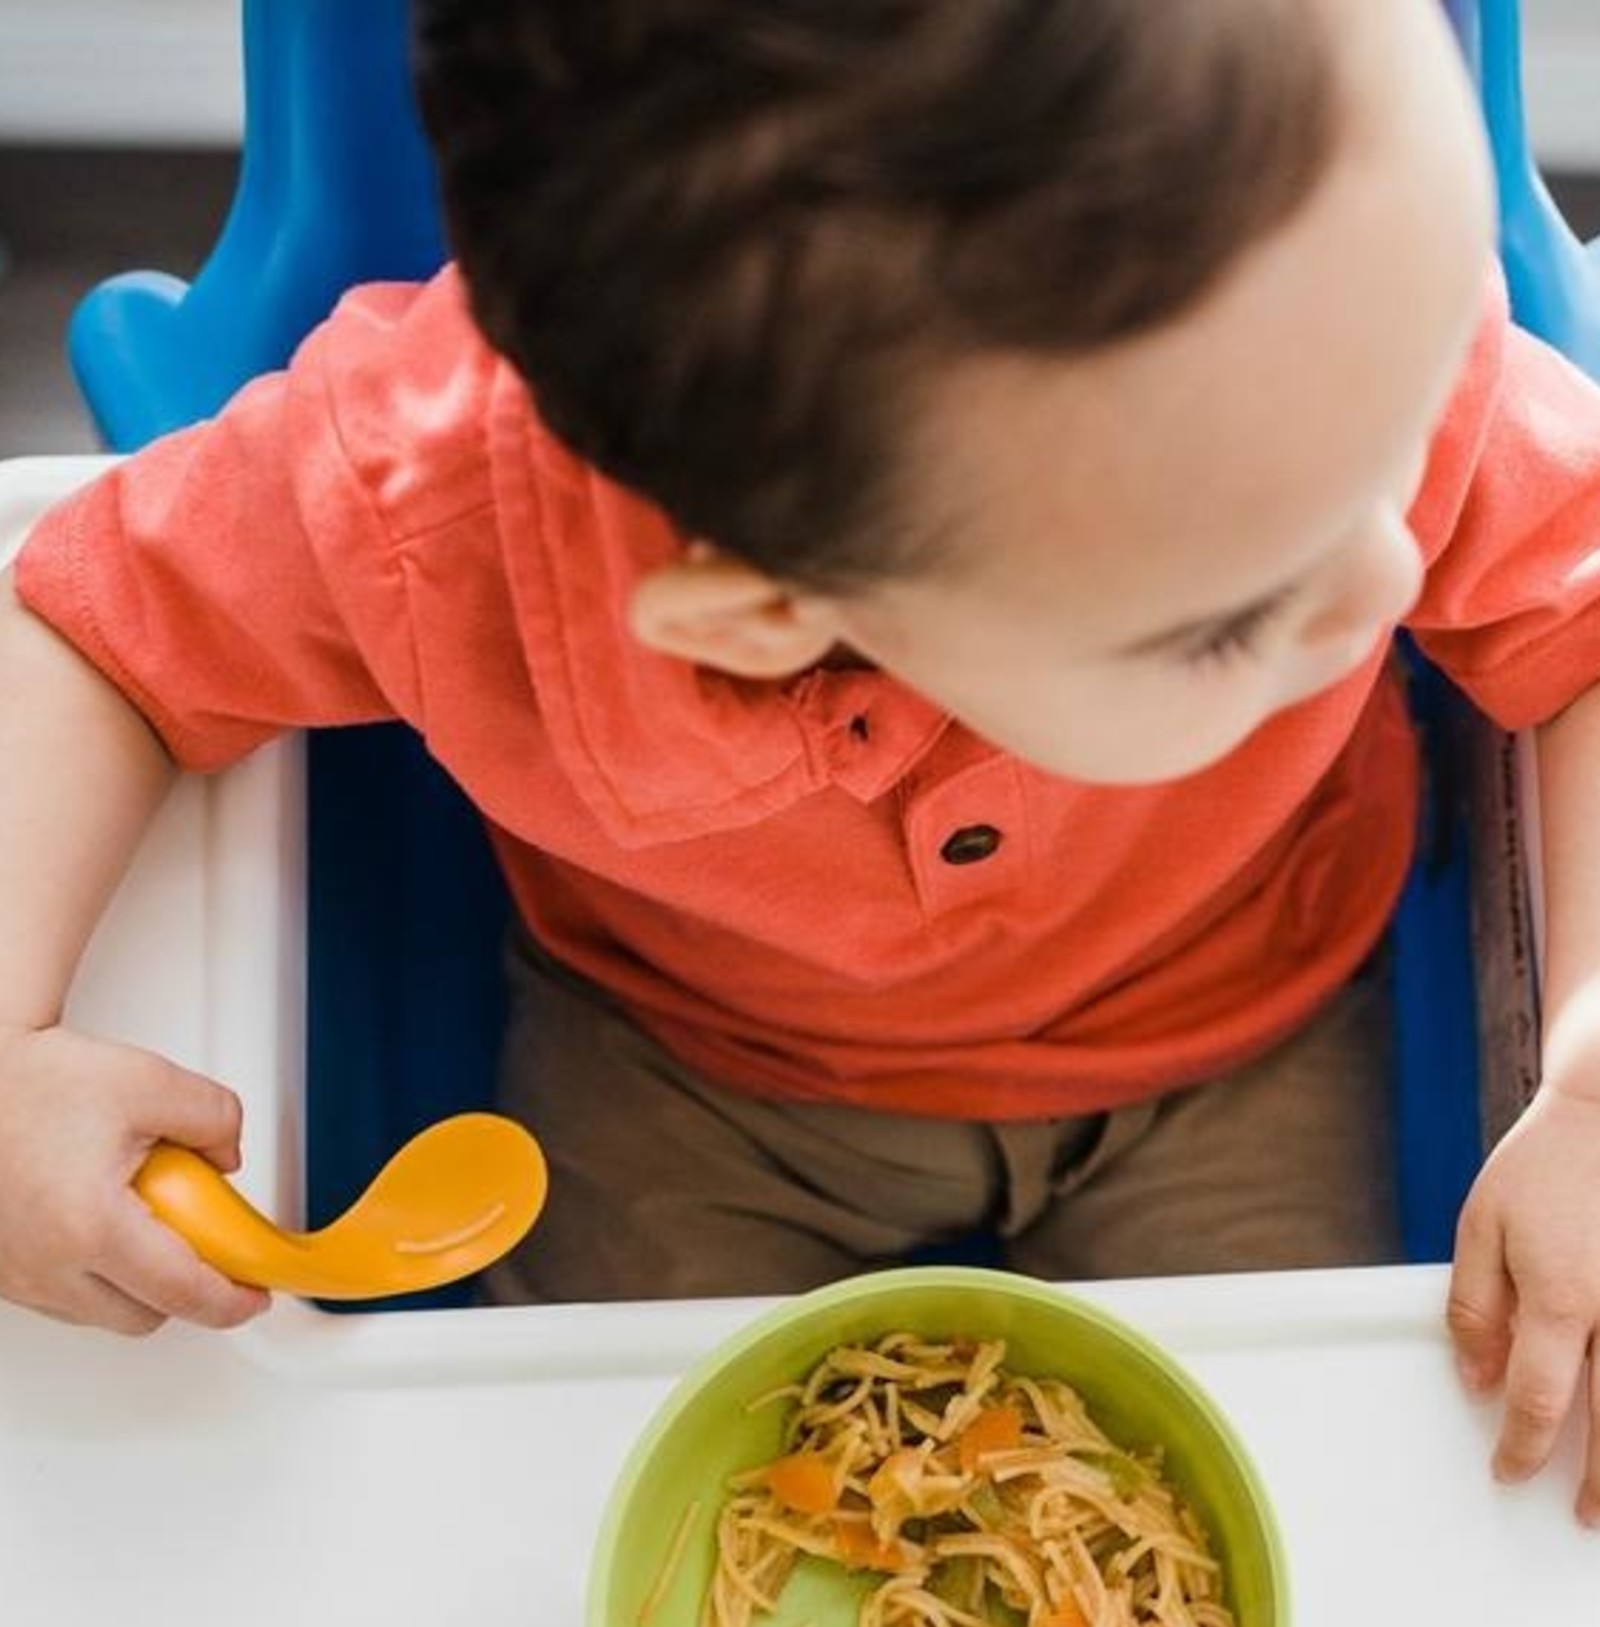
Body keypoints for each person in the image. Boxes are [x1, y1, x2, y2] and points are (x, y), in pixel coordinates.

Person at [2, 0, 1600, 1517]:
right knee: (608, 1544)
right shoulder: (434, 518)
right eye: (1228, 618)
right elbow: (89, 633)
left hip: (1236, 1033)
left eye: (1393, 463)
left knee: (1305, 1523)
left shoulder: (1329, 302)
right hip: (695, 1081)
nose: (1392, 588)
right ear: (767, 610)